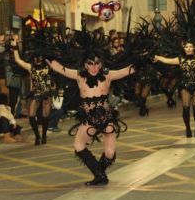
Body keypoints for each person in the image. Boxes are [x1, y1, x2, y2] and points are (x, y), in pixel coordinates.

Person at [47, 50, 135, 186]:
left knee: (110, 153)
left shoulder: (107, 75)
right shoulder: (79, 76)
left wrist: (144, 59)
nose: (94, 67)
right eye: (90, 64)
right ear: (85, 65)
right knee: (78, 145)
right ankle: (100, 175)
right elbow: (60, 69)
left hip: (106, 118)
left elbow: (127, 70)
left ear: (101, 64)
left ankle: (99, 175)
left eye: (97, 64)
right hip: (89, 119)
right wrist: (46, 54)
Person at [11, 39, 53, 145]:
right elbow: (17, 60)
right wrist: (15, 47)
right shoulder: (31, 67)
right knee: (31, 115)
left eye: (38, 57)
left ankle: (43, 136)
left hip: (46, 93)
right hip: (35, 93)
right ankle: (37, 136)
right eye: (35, 57)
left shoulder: (48, 66)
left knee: (45, 116)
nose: (36, 59)